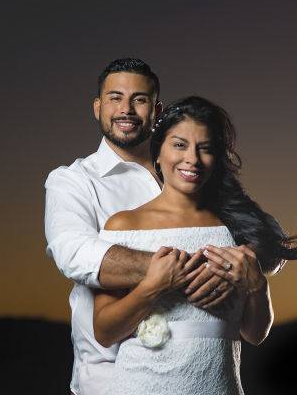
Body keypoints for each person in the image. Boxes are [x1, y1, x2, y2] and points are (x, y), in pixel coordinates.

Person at [44, 59, 242, 395]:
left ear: (157, 110)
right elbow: (74, 254)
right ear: (97, 107)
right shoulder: (73, 181)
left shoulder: (188, 169)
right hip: (106, 377)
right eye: (115, 98)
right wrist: (183, 271)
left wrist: (248, 265)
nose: (126, 110)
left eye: (139, 99)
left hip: (204, 376)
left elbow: (255, 238)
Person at [93, 96, 297, 394]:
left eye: (205, 148)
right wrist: (152, 287)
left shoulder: (233, 228)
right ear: (158, 152)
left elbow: (255, 334)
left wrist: (257, 286)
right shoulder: (123, 226)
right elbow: (104, 331)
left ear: (217, 159)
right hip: (138, 385)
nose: (192, 158)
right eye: (179, 145)